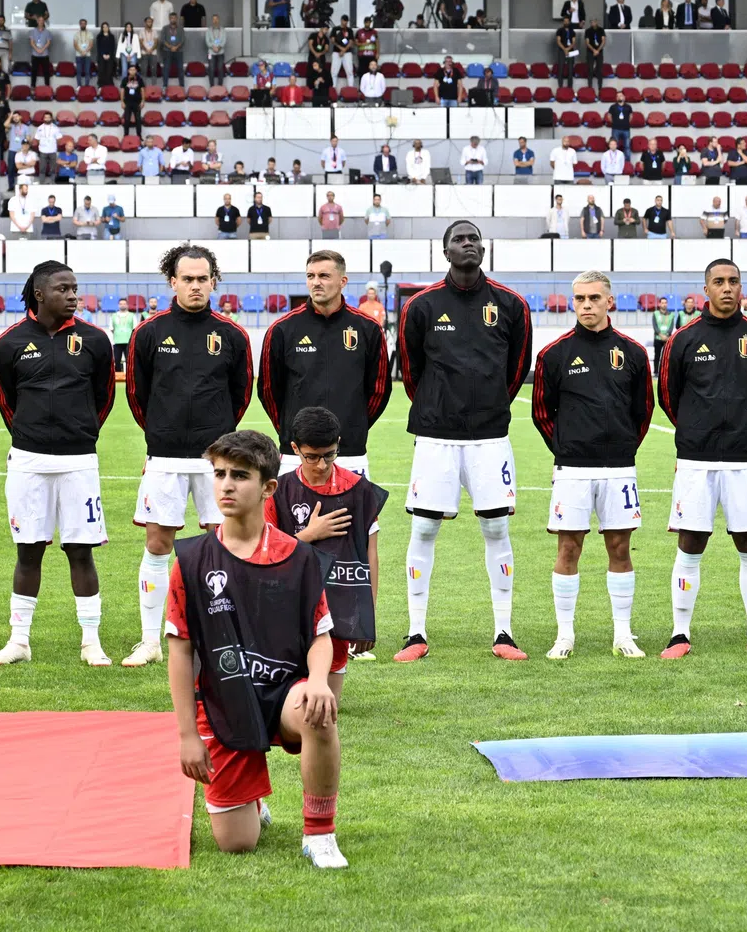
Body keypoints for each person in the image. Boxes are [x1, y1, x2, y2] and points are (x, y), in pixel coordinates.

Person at [165, 428, 348, 868]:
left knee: (317, 710)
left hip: (282, 692)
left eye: (240, 476)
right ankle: (251, 803)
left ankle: (319, 834)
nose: (226, 485)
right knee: (237, 844)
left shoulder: (298, 557)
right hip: (223, 702)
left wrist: (319, 681)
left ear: (267, 487)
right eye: (220, 474)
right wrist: (188, 735)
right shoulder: (191, 560)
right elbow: (180, 652)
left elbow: (321, 634)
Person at [395, 221, 533, 661]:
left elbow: (517, 369)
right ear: (445, 251)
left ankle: (504, 632)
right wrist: (439, 405)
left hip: (490, 436)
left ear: (483, 249)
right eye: (459, 239)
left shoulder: (511, 305)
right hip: (436, 435)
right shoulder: (422, 305)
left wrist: (489, 404)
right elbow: (411, 370)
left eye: (474, 239)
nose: (468, 244)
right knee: (424, 527)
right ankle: (416, 633)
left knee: (496, 526)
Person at [124, 245, 253, 666]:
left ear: (213, 282)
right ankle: (149, 641)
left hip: (216, 459)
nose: (195, 286)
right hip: (164, 456)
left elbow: (241, 396)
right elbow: (137, 395)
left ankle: (221, 637)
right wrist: (161, 432)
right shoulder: (149, 332)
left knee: (223, 545)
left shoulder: (232, 335)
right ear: (172, 282)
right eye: (188, 279)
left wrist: (217, 439)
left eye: (203, 278)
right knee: (158, 543)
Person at [0, 261, 117, 667]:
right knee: (28, 551)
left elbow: (104, 398)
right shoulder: (7, 343)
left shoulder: (95, 340)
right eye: (63, 289)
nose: (73, 295)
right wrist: (32, 434)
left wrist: (80, 434)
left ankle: (91, 642)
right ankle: (19, 641)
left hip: (79, 462)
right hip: (28, 460)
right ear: (40, 294)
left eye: (75, 288)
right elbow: (7, 401)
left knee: (81, 550)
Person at [657, 258, 747, 658]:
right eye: (719, 282)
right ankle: (680, 634)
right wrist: (696, 432)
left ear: (741, 288)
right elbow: (668, 396)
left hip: (745, 460)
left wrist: (745, 430)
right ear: (705, 290)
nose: (727, 288)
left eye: (733, 281)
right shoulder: (684, 339)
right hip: (696, 460)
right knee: (691, 543)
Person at [531, 271, 654, 658]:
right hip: (573, 469)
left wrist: (622, 446)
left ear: (609, 302)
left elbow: (644, 411)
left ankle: (623, 635)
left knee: (620, 547)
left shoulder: (632, 352)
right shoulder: (554, 354)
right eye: (580, 298)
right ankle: (564, 635)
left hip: (619, 468)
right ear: (573, 302)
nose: (587, 305)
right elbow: (541, 412)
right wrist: (567, 447)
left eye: (594, 298)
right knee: (569, 548)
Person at [267, 406, 388, 676]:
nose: (321, 465)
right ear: (295, 449)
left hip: (339, 605)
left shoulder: (358, 489)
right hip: (287, 603)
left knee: (325, 703)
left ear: (338, 445)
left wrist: (366, 616)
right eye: (311, 457)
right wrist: (308, 535)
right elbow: (266, 554)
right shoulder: (278, 491)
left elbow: (370, 554)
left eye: (329, 455)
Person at [259, 250, 390, 475]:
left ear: (343, 281)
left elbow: (379, 389)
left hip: (349, 450)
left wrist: (353, 424)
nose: (316, 282)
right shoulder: (282, 329)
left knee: (352, 512)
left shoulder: (368, 329)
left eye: (324, 276)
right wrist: (293, 428)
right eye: (310, 276)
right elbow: (269, 390)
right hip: (296, 452)